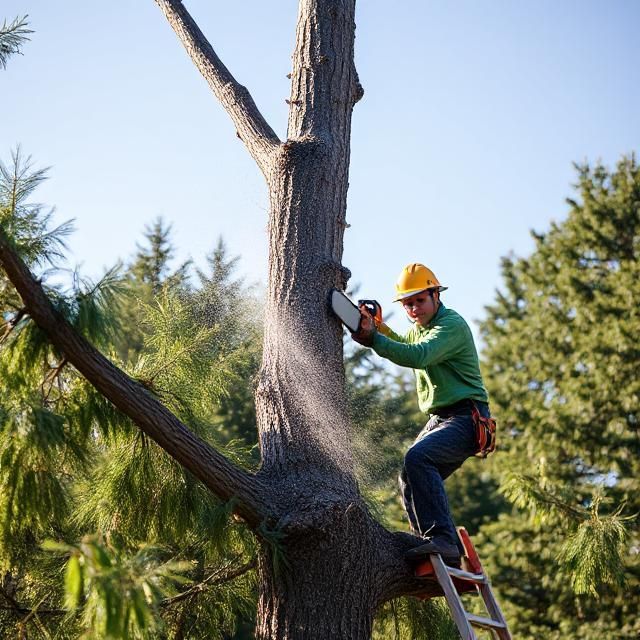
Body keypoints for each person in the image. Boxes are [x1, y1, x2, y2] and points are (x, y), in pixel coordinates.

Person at [351, 263, 492, 566]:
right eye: (408, 304)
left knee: (419, 458)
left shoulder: (450, 326)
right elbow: (406, 344)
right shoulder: (420, 330)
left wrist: (373, 338)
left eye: (420, 301)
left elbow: (418, 355)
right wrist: (380, 328)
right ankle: (431, 547)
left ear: (435, 295)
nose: (414, 309)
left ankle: (443, 541)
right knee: (408, 475)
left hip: (467, 417)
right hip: (440, 418)